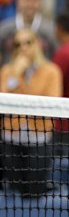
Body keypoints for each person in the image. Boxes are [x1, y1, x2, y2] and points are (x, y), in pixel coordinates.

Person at [0, 28, 63, 197]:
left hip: (40, 138)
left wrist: (24, 96)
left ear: (37, 44)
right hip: (10, 138)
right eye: (18, 44)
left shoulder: (51, 71)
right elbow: (4, 100)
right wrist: (16, 74)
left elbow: (51, 102)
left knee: (35, 190)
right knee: (14, 190)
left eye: (28, 42)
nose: (23, 47)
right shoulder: (7, 71)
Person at [0, 0, 57, 64]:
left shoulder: (50, 29)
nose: (30, 4)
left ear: (40, 2)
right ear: (18, 0)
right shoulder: (5, 28)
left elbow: (55, 56)